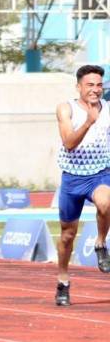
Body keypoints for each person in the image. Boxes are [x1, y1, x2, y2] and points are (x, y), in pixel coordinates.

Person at [54, 65, 110, 306]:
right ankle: (63, 282)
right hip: (72, 179)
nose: (96, 90)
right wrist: (88, 122)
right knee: (68, 236)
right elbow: (68, 142)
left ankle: (100, 243)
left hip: (100, 174)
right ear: (79, 86)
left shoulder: (108, 109)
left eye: (99, 85)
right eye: (90, 85)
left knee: (106, 203)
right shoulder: (66, 108)